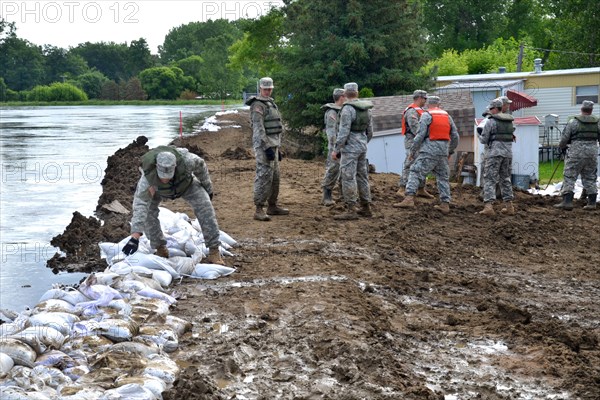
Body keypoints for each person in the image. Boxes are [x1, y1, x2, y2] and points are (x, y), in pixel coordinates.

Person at [121, 145, 225, 265]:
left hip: (186, 185)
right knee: (149, 212)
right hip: (157, 190)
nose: (165, 180)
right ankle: (160, 248)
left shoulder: (188, 161)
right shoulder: (148, 179)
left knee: (205, 207)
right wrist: (135, 237)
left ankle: (214, 250)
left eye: (168, 175)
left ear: (175, 166)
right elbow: (140, 205)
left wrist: (208, 189)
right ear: (156, 167)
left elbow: (201, 167)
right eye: (162, 176)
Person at [394, 96, 459, 213]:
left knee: (415, 171)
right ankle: (445, 204)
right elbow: (455, 136)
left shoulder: (427, 115)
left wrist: (413, 151)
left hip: (429, 150)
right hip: (443, 151)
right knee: (443, 177)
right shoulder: (447, 116)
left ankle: (409, 198)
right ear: (439, 104)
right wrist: (450, 151)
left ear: (428, 104)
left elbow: (420, 135)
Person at [245, 77, 289, 221]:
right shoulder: (258, 105)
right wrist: (266, 147)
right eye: (265, 89)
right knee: (264, 177)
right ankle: (259, 208)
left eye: (269, 88)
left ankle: (272, 206)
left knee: (275, 177)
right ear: (260, 89)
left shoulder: (271, 103)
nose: (268, 91)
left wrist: (277, 148)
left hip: (273, 145)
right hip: (264, 146)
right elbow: (258, 129)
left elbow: (276, 128)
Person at [331, 82, 374, 220]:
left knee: (348, 177)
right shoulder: (366, 108)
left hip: (349, 148)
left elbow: (343, 132)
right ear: (357, 92)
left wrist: (336, 149)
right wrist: (363, 142)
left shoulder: (347, 109)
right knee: (362, 176)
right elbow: (370, 131)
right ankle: (366, 206)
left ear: (344, 93)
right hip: (362, 146)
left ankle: (351, 209)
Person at [554, 100, 599, 211]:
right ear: (591, 110)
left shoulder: (573, 122)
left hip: (576, 153)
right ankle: (592, 203)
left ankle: (567, 202)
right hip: (592, 153)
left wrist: (562, 147)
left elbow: (564, 139)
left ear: (581, 109)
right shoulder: (597, 122)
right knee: (590, 176)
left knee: (570, 175)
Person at [477, 98, 516, 215]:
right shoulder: (509, 122)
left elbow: (484, 140)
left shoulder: (490, 121)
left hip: (494, 154)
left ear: (495, 108)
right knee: (505, 179)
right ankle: (509, 207)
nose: (489, 110)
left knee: (489, 179)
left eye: (491, 108)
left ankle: (488, 207)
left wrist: (479, 136)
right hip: (507, 154)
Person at [398, 90, 434, 199]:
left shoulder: (421, 111)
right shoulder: (412, 111)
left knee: (421, 163)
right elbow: (415, 129)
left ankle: (421, 188)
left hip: (421, 141)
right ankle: (402, 188)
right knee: (410, 162)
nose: (426, 101)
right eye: (424, 98)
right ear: (419, 98)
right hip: (412, 141)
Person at [320, 88, 346, 206]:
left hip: (344, 146)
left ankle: (344, 195)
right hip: (335, 147)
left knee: (344, 171)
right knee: (333, 169)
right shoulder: (332, 112)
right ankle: (327, 195)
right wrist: (336, 149)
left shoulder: (344, 110)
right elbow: (331, 133)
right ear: (341, 97)